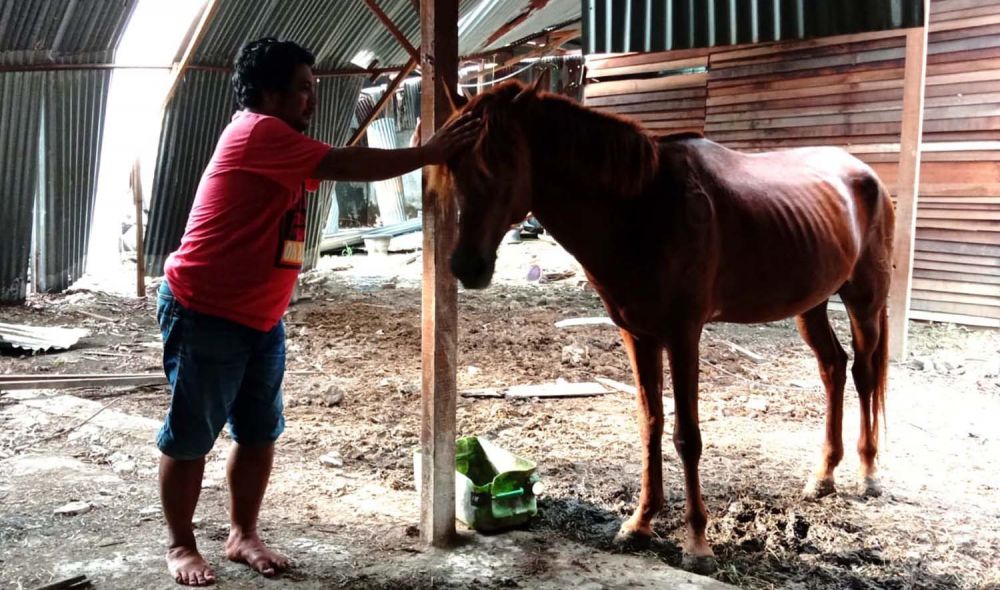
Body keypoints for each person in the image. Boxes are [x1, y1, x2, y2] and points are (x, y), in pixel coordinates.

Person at [155, 37, 478, 586]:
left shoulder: (281, 142)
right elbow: (347, 163)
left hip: (260, 317)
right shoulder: (258, 131)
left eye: (313, 89)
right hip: (206, 311)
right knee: (191, 435)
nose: (312, 99)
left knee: (258, 433)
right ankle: (181, 545)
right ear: (268, 92)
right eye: (303, 89)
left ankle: (242, 534)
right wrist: (430, 153)